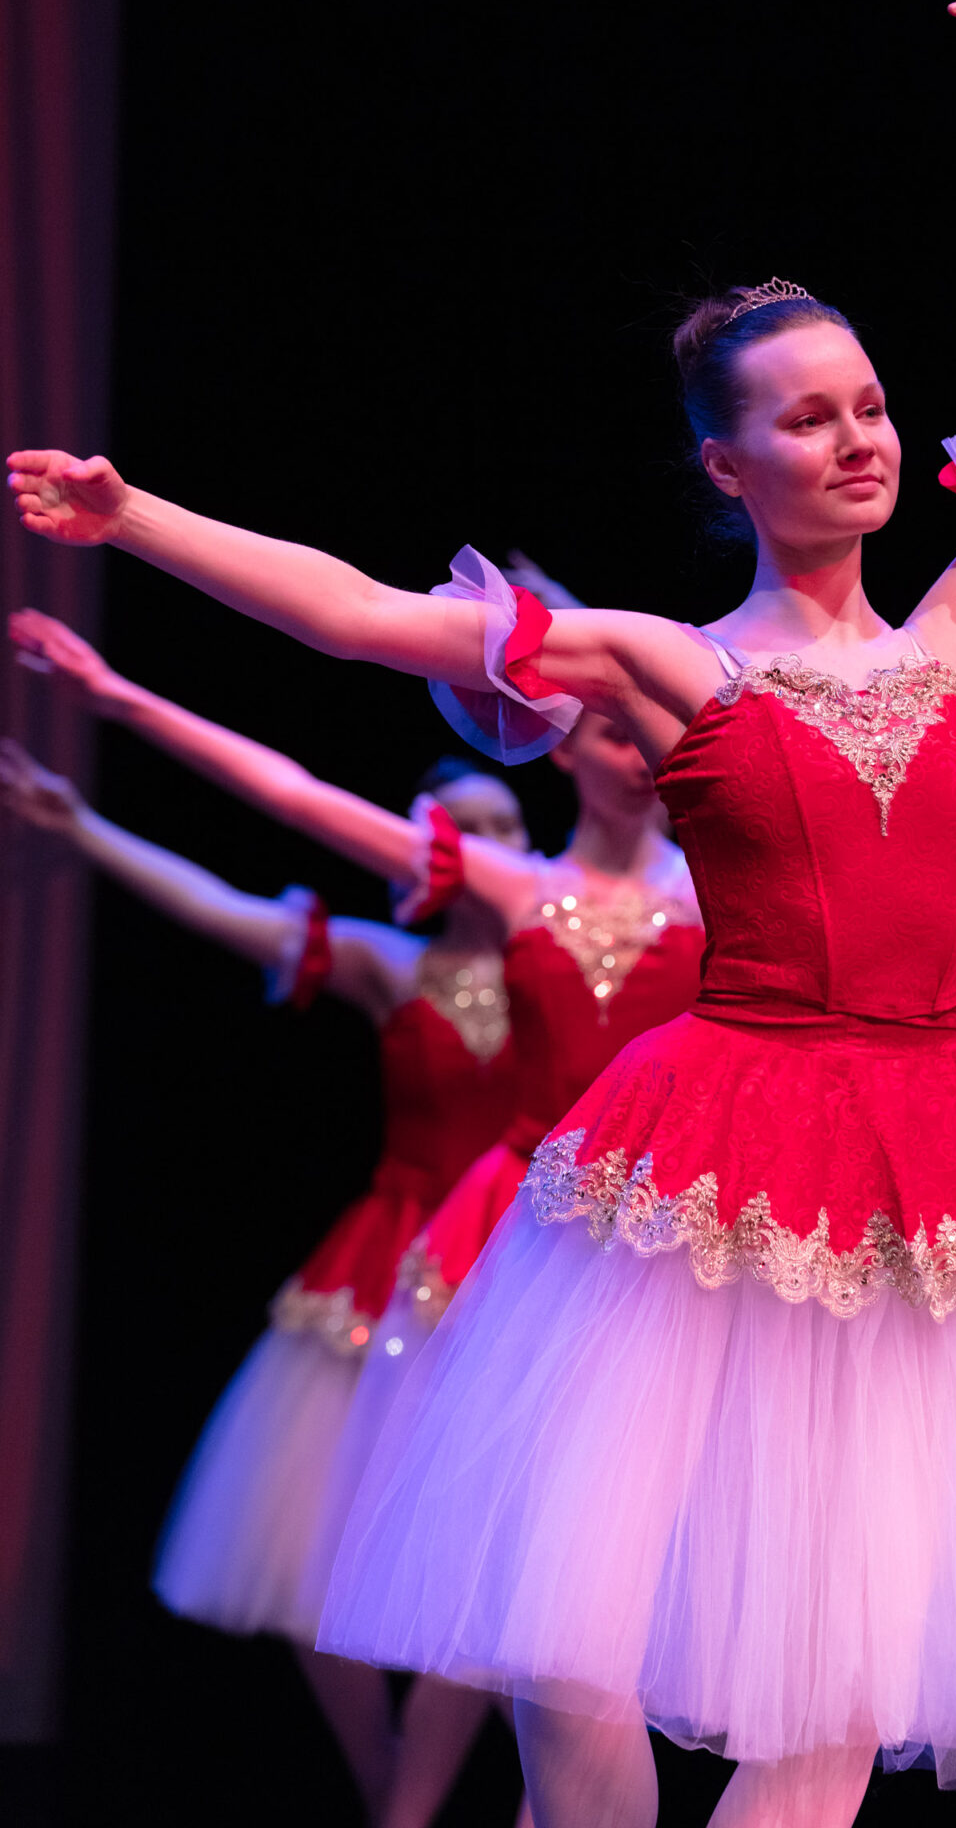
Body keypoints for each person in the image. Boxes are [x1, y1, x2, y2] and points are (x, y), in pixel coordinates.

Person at [10, 0, 956, 1827]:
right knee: (567, 1648)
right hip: (711, 1137)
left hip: (921, 1163)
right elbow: (379, 620)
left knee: (841, 1684)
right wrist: (137, 519)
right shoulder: (672, 664)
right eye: (807, 420)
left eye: (870, 406)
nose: (861, 439)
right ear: (725, 462)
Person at [9, 600, 705, 1828]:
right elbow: (288, 804)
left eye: (642, 729)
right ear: (561, 749)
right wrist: (119, 705)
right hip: (504, 1252)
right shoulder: (497, 909)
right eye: (603, 727)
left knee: (596, 1593)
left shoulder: (708, 896)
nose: (636, 751)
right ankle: (415, 1801)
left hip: (654, 1248)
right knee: (488, 1578)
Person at [0, 723, 527, 1828]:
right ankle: (395, 1788)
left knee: (486, 1571)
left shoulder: (577, 955)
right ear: (420, 852)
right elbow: (221, 906)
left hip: (518, 1274)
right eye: (459, 830)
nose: (483, 846)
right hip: (389, 1263)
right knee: (308, 1559)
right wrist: (86, 826)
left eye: (503, 827)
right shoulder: (395, 962)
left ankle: (407, 1805)